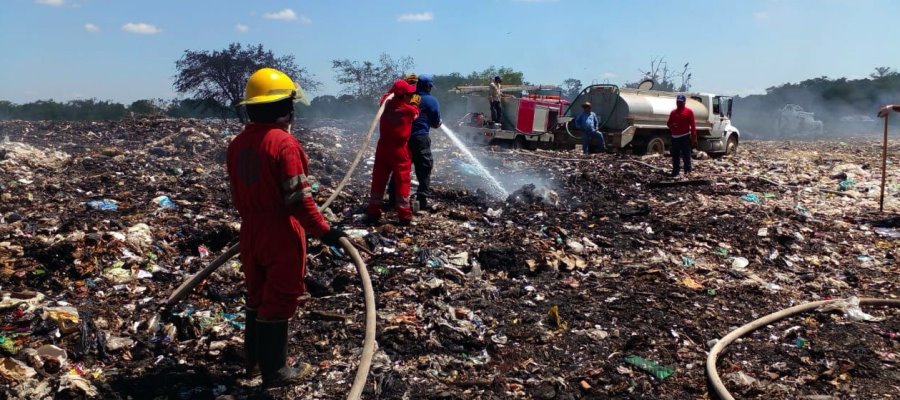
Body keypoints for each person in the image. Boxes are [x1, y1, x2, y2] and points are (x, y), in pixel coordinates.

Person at [226, 67, 346, 388]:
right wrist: (327, 231)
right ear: (284, 109)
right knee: (278, 299)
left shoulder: (237, 144)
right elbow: (299, 202)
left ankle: (251, 366)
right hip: (281, 233)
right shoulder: (284, 145)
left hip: (250, 231)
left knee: (256, 295)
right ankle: (275, 372)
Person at [366, 80, 419, 225]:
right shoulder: (409, 110)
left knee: (378, 179)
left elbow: (385, 98)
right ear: (404, 95)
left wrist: (395, 90)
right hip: (399, 150)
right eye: (409, 94)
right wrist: (415, 103)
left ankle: (373, 210)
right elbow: (416, 114)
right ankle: (404, 214)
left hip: (383, 148)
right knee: (402, 181)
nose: (411, 96)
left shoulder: (385, 106)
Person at [666, 94, 697, 177]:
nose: (679, 103)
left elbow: (693, 125)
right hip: (675, 137)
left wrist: (694, 136)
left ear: (684, 102)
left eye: (680, 102)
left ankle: (688, 171)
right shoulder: (673, 112)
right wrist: (671, 126)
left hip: (685, 136)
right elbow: (668, 123)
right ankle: (675, 171)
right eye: (677, 102)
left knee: (686, 154)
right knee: (675, 155)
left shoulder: (689, 112)